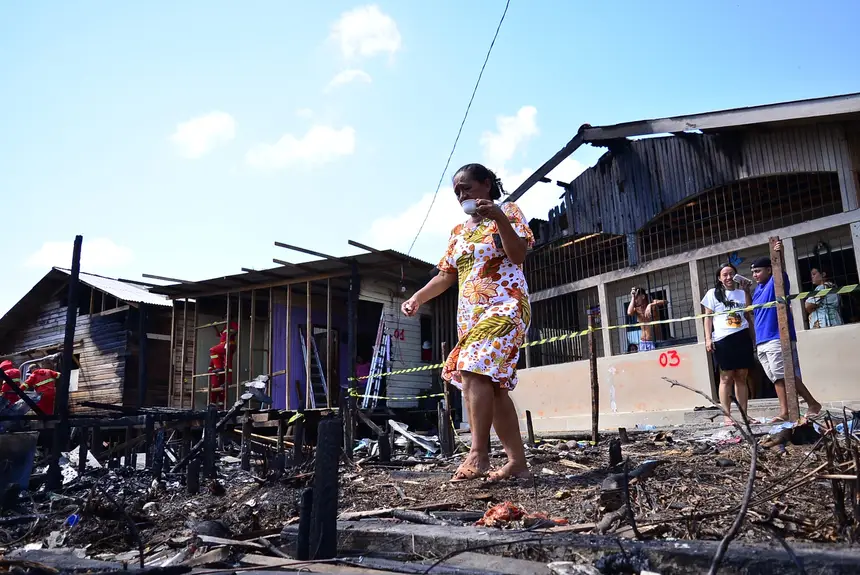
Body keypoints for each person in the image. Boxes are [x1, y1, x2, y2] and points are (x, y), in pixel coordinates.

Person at [401, 163, 533, 483]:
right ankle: (517, 462)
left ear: (486, 185)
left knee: (473, 367)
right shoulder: (458, 232)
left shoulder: (510, 211)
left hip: (505, 306)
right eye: (457, 191)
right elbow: (446, 275)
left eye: (467, 187)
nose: (462, 194)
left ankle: (478, 454)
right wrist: (418, 298)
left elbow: (517, 255)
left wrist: (498, 217)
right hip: (470, 317)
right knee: (493, 387)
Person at [747, 243, 822, 421]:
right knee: (776, 378)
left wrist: (778, 254)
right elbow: (750, 310)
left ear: (768, 270)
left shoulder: (776, 281)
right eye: (753, 272)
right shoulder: (758, 289)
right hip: (762, 339)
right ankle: (785, 411)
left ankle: (812, 403)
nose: (755, 275)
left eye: (758, 271)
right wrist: (744, 290)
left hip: (776, 336)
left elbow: (779, 268)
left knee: (785, 374)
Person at [701, 264, 756, 425]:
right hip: (723, 339)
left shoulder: (741, 293)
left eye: (731, 274)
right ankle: (727, 416)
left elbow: (748, 313)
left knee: (741, 377)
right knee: (726, 378)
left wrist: (753, 338)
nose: (728, 277)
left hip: (742, 336)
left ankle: (744, 415)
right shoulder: (712, 294)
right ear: (719, 278)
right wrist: (708, 339)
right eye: (724, 274)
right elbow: (708, 318)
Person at [627, 287, 666, 352]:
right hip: (643, 342)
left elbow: (665, 302)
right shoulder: (637, 309)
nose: (635, 300)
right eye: (635, 298)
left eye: (637, 297)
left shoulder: (652, 303)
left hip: (655, 340)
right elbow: (629, 312)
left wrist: (650, 305)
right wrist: (633, 297)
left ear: (643, 296)